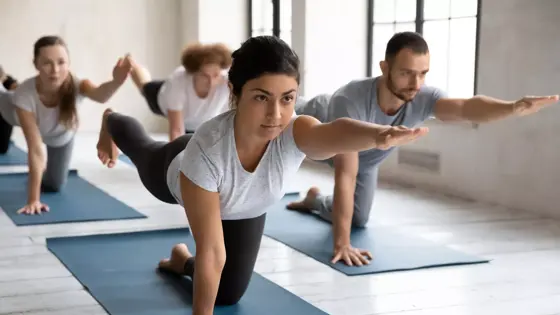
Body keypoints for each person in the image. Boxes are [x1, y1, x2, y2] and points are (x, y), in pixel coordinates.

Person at [95, 35, 430, 313]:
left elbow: (333, 132)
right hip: (178, 165)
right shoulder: (206, 154)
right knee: (141, 149)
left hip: (246, 206)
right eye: (261, 97)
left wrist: (378, 135)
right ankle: (111, 119)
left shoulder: (295, 130)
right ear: (235, 92)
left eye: (287, 98)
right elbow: (212, 253)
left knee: (228, 295)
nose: (275, 113)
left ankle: (180, 260)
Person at [288, 31, 559, 268]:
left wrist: (512, 107)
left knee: (358, 219)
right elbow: (344, 174)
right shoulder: (350, 99)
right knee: (279, 118)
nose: (416, 83)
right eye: (406, 73)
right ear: (385, 67)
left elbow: (466, 108)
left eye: (423, 73)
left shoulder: (424, 96)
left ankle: (314, 201)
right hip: (315, 129)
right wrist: (342, 245)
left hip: (365, 160)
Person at [0, 35, 132, 216]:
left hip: (59, 136)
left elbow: (100, 95)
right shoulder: (25, 93)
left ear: (69, 63)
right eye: (47, 63)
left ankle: (8, 80)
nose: (55, 70)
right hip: (12, 111)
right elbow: (35, 148)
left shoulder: (78, 85)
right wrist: (33, 199)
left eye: (61, 62)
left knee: (54, 185)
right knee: (5, 99)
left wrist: (117, 81)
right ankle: (4, 79)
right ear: (36, 64)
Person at [127, 42, 233, 141]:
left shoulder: (226, 81)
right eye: (204, 75)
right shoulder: (177, 83)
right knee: (144, 85)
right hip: (163, 100)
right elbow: (176, 130)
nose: (211, 81)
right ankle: (131, 64)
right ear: (194, 72)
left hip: (197, 123)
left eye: (215, 75)